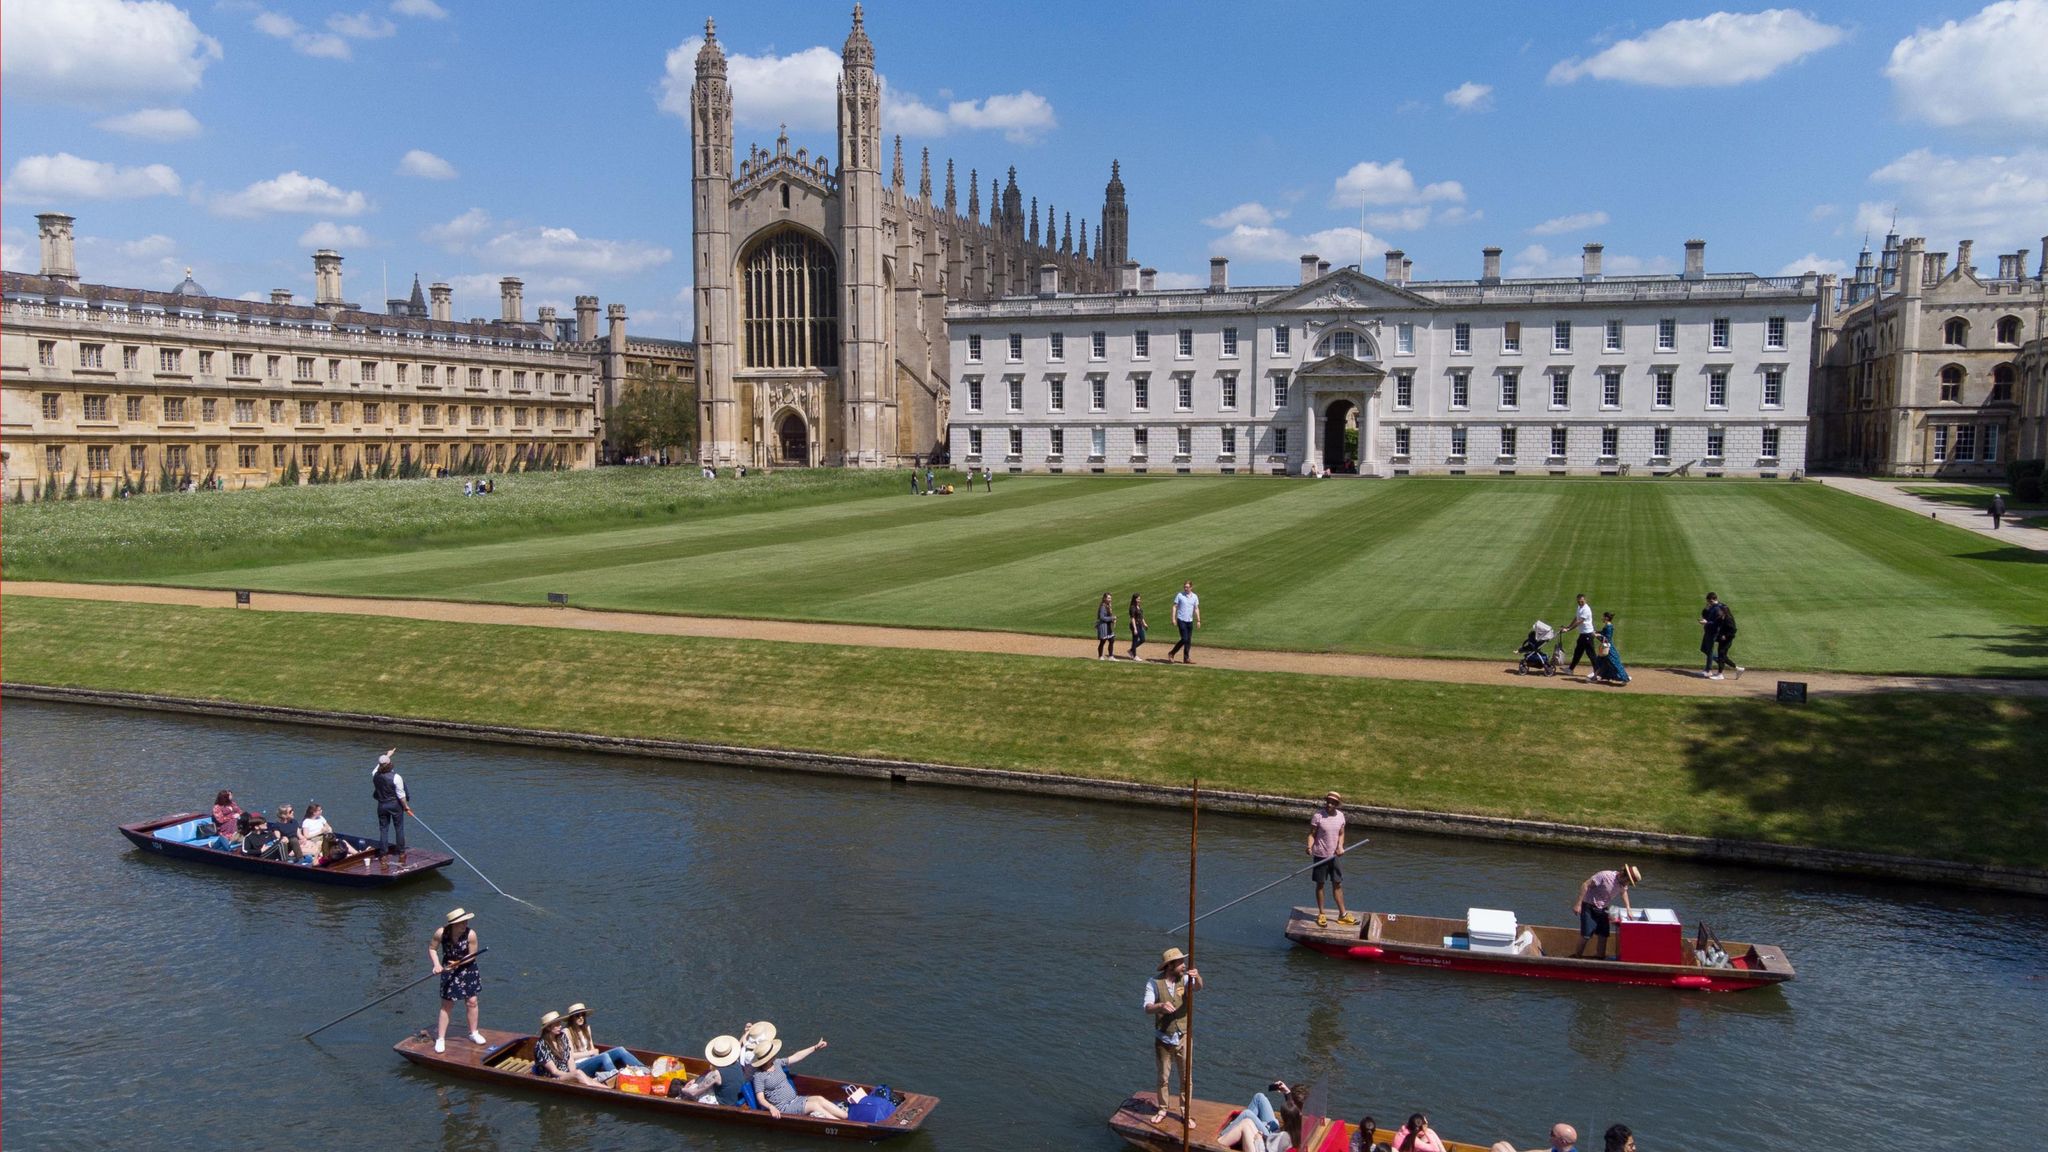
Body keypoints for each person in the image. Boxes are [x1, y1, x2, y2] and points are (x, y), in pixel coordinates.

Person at [1144, 947, 1203, 1124]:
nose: (1184, 966)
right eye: (1180, 963)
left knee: (1186, 1078)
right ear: (1170, 966)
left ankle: (1185, 1112)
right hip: (1163, 1038)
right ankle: (1163, 1109)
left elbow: (1199, 987)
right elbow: (1146, 1007)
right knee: (1163, 1077)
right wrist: (1160, 1006)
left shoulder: (1185, 979)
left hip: (1184, 1036)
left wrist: (1197, 977)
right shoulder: (1153, 983)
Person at [749, 1036, 848, 1120]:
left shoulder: (777, 1063)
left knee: (819, 1099)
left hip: (796, 1099)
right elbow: (760, 1098)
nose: (775, 1054)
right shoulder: (759, 1076)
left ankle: (844, 1116)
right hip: (784, 1108)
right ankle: (841, 1124)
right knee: (814, 1106)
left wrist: (814, 1048)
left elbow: (796, 1057)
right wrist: (771, 1107)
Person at [429, 907, 484, 1054]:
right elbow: (432, 948)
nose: (464, 924)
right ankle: (441, 1038)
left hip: (468, 969)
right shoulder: (441, 933)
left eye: (465, 921)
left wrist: (458, 963)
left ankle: (473, 1033)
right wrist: (437, 965)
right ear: (453, 924)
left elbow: (473, 956)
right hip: (448, 969)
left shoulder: (471, 934)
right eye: (461, 923)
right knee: (447, 1004)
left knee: (472, 1001)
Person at [1572, 864, 1641, 959]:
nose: (1627, 884)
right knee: (1586, 935)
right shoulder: (1604, 875)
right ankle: (1577, 957)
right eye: (1628, 881)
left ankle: (1600, 957)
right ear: (1623, 875)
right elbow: (1585, 884)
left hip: (1603, 909)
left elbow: (1624, 892)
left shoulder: (1623, 884)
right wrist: (1578, 904)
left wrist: (1628, 908)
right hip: (1589, 906)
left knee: (1603, 935)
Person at [1308, 791, 1356, 928]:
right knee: (1320, 884)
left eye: (1332, 802)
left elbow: (1341, 833)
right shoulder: (1318, 816)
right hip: (1320, 855)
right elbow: (1311, 835)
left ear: (1336, 804)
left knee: (1337, 884)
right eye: (1328, 801)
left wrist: (1340, 846)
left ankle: (1343, 915)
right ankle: (1322, 913)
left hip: (1334, 856)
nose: (1329, 804)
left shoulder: (1341, 816)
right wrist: (1309, 847)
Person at [1218, 1080, 1307, 1152]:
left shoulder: (1295, 1127)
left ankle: (1225, 1135)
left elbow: (1270, 1147)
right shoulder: (1298, 1117)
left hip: (1270, 1139)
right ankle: (1239, 1131)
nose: (1289, 1102)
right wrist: (1287, 1092)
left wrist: (1259, 1138)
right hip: (1275, 1134)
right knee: (1259, 1097)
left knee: (1247, 1114)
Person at [562, 1003, 641, 1080]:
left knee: (620, 1050)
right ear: (572, 1018)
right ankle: (617, 1078)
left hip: (591, 1060)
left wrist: (595, 1055)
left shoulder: (586, 1028)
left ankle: (643, 1070)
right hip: (579, 1065)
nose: (581, 1017)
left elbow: (592, 1048)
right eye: (577, 1016)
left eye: (583, 1015)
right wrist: (591, 1053)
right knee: (604, 1056)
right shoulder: (567, 1031)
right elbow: (571, 1056)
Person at [531, 1011, 606, 1086]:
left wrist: (572, 1073)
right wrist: (572, 1075)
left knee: (584, 1077)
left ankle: (607, 1090)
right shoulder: (541, 1045)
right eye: (556, 1024)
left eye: (560, 1023)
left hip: (566, 1073)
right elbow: (554, 1071)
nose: (560, 1026)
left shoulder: (562, 1037)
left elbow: (570, 1059)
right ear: (548, 1028)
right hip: (552, 1078)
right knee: (578, 1073)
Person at [672, 1033, 747, 1105]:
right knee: (699, 1083)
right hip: (736, 1098)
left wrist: (681, 1089)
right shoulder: (737, 1062)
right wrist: (695, 1080)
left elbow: (693, 1093)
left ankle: (677, 1100)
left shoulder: (716, 1074)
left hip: (725, 1104)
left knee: (690, 1091)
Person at [372, 749, 412, 858]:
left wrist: (387, 755)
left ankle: (383, 854)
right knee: (399, 828)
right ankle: (401, 852)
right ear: (390, 764)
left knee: (383, 829)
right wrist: (406, 807)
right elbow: (401, 795)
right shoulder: (396, 777)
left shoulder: (375, 775)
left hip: (381, 805)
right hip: (395, 805)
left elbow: (377, 767)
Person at [1698, 593, 1742, 680]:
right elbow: (1706, 616)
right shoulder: (1713, 607)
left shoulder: (1721, 611)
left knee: (1715, 652)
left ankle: (1710, 670)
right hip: (1712, 632)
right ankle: (1725, 664)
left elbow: (1717, 624)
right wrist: (1706, 609)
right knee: (1705, 649)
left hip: (1717, 634)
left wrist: (1725, 635)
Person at [1166, 580, 1201, 664]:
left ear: (1191, 587)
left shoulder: (1195, 597)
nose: (1185, 588)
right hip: (1181, 620)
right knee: (1184, 639)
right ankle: (1171, 653)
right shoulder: (1180, 595)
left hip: (1190, 620)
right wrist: (1173, 619)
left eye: (1187, 587)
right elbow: (1174, 607)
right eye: (1185, 587)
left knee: (1188, 640)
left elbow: (1196, 608)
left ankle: (1186, 658)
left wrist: (1198, 620)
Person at [1590, 613, 1630, 685]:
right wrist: (1597, 632)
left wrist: (1597, 635)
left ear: (1606, 618)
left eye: (1603, 617)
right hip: (1607, 647)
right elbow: (1603, 633)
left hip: (1608, 648)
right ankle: (1595, 677)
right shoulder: (1608, 626)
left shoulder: (1608, 626)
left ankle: (1625, 678)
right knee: (1601, 662)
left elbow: (1606, 639)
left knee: (1614, 663)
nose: (1602, 618)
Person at [1564, 594, 1597, 675]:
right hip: (1583, 634)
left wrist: (1569, 629)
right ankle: (1570, 669)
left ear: (1585, 600)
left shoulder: (1586, 609)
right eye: (1578, 601)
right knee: (1577, 652)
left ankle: (1597, 671)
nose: (1580, 603)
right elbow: (1576, 618)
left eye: (1582, 601)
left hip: (1588, 634)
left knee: (1591, 654)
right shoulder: (1579, 607)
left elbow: (1580, 621)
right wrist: (1568, 626)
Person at [1096, 593, 1118, 660]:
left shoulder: (1108, 606)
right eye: (1108, 598)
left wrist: (1112, 620)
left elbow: (1108, 616)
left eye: (1110, 598)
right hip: (1103, 626)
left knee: (1111, 640)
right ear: (1104, 598)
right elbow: (1102, 617)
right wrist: (1112, 618)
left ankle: (1111, 656)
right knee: (1103, 641)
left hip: (1108, 626)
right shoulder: (1103, 606)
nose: (1110, 599)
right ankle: (1100, 656)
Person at [1127, 593, 1148, 661]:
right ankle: (1134, 655)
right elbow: (1132, 618)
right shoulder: (1132, 607)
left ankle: (1131, 650)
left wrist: (1144, 624)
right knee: (1135, 640)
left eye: (1140, 599)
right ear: (1135, 599)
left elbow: (1141, 617)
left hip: (1139, 625)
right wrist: (1135, 628)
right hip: (1134, 625)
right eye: (1138, 599)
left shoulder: (1138, 606)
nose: (1139, 600)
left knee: (1143, 639)